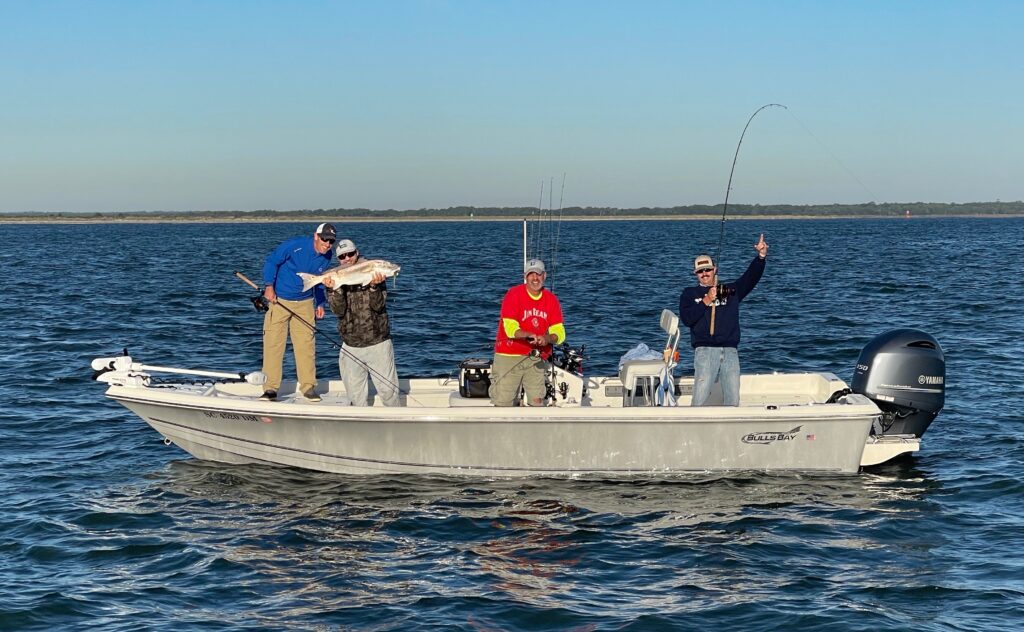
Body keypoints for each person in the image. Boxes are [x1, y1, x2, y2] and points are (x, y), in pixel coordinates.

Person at [679, 233, 768, 407]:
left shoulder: (730, 290)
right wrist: (706, 300)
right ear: (696, 274)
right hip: (705, 351)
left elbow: (750, 278)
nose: (705, 274)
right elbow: (687, 319)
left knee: (733, 400)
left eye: (708, 270)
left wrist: (761, 257)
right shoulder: (689, 293)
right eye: (700, 271)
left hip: (730, 351)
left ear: (715, 270)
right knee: (700, 399)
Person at [259, 222, 336, 402]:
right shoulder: (294, 246)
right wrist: (269, 286)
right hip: (279, 301)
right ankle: (270, 388)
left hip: (305, 303)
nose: (328, 244)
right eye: (325, 239)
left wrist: (320, 303)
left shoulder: (327, 256)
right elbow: (272, 261)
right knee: (273, 345)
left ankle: (308, 387)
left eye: (331, 241)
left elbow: (318, 279)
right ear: (316, 236)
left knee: (306, 347)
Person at [323, 239, 401, 407]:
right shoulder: (336, 276)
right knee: (355, 396)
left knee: (389, 393)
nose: (347, 258)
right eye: (342, 256)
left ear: (356, 253)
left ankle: (396, 425)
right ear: (339, 259)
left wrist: (374, 287)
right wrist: (334, 289)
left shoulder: (372, 269)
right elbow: (338, 311)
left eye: (350, 254)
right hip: (350, 344)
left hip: (377, 342)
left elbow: (378, 306)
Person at [490, 258, 566, 407]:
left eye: (538, 274)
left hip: (536, 358)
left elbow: (560, 332)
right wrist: (529, 336)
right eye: (531, 274)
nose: (535, 278)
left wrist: (547, 338)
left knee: (537, 402)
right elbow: (510, 328)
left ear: (544, 276)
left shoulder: (552, 300)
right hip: (509, 356)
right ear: (525, 276)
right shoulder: (513, 294)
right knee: (503, 402)